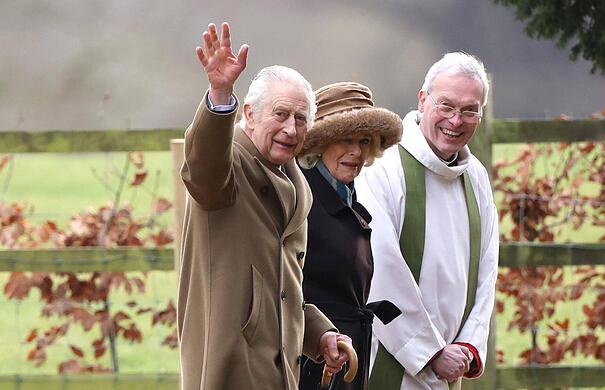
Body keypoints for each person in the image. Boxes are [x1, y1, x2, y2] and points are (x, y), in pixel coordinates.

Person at [176, 22, 353, 390]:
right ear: (250, 114)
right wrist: (219, 95)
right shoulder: (229, 165)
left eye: (301, 119)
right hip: (228, 368)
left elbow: (281, 288)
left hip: (277, 371)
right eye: (281, 114)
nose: (291, 128)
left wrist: (319, 334)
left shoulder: (294, 182)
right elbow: (202, 170)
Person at [355, 52, 499, 390]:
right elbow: (377, 270)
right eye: (446, 106)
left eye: (469, 110)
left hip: (451, 367)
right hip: (389, 358)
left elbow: (487, 271)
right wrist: (431, 352)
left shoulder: (476, 177)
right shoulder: (384, 168)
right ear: (423, 100)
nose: (456, 120)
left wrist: (467, 345)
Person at [295, 82, 403, 390]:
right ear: (320, 142)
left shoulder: (346, 197)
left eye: (364, 140)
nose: (356, 151)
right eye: (345, 138)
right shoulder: (302, 199)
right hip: (313, 361)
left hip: (345, 357)